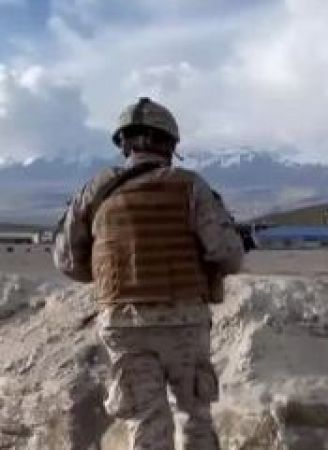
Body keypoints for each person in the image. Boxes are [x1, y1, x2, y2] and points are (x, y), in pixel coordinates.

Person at [53, 97, 243, 450]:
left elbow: (66, 260)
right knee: (195, 419)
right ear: (170, 144)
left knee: (146, 425)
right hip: (184, 319)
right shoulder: (191, 186)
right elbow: (228, 255)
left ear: (124, 144)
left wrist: (113, 272)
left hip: (123, 323)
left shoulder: (95, 190)